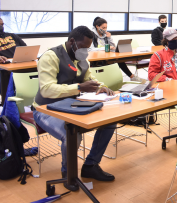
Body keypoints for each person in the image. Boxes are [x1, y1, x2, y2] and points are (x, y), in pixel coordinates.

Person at [32, 26, 116, 190]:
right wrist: (79, 87)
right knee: (72, 134)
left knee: (109, 122)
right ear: (72, 42)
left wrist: (101, 86)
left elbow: (90, 79)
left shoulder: (82, 59)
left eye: (88, 48)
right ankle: (68, 174)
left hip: (72, 105)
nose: (85, 51)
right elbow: (47, 89)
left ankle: (91, 165)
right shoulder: (50, 57)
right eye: (83, 47)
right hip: (46, 108)